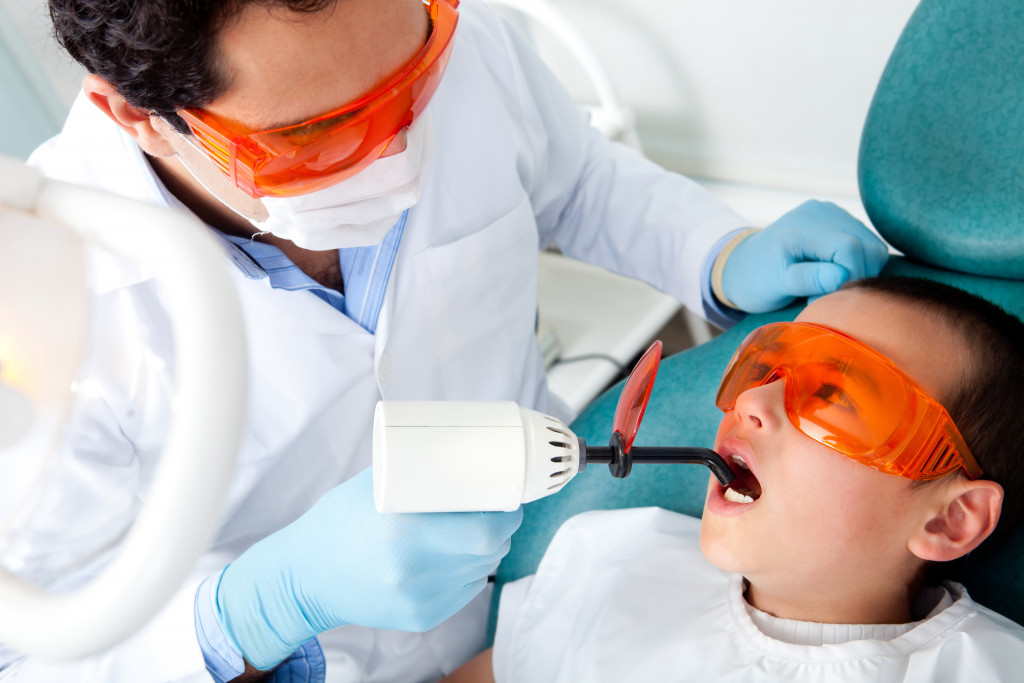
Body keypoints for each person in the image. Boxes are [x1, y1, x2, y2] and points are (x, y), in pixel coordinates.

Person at [8, 0, 887, 681]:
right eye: (319, 136)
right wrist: (257, 609)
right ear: (134, 114)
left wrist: (718, 254)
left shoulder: (448, 33)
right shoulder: (40, 310)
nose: (401, 150)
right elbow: (40, 657)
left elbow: (575, 180)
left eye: (416, 80)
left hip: (534, 583)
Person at [446, 276, 1024, 682]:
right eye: (766, 367)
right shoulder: (612, 566)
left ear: (950, 519)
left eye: (832, 395)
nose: (751, 399)